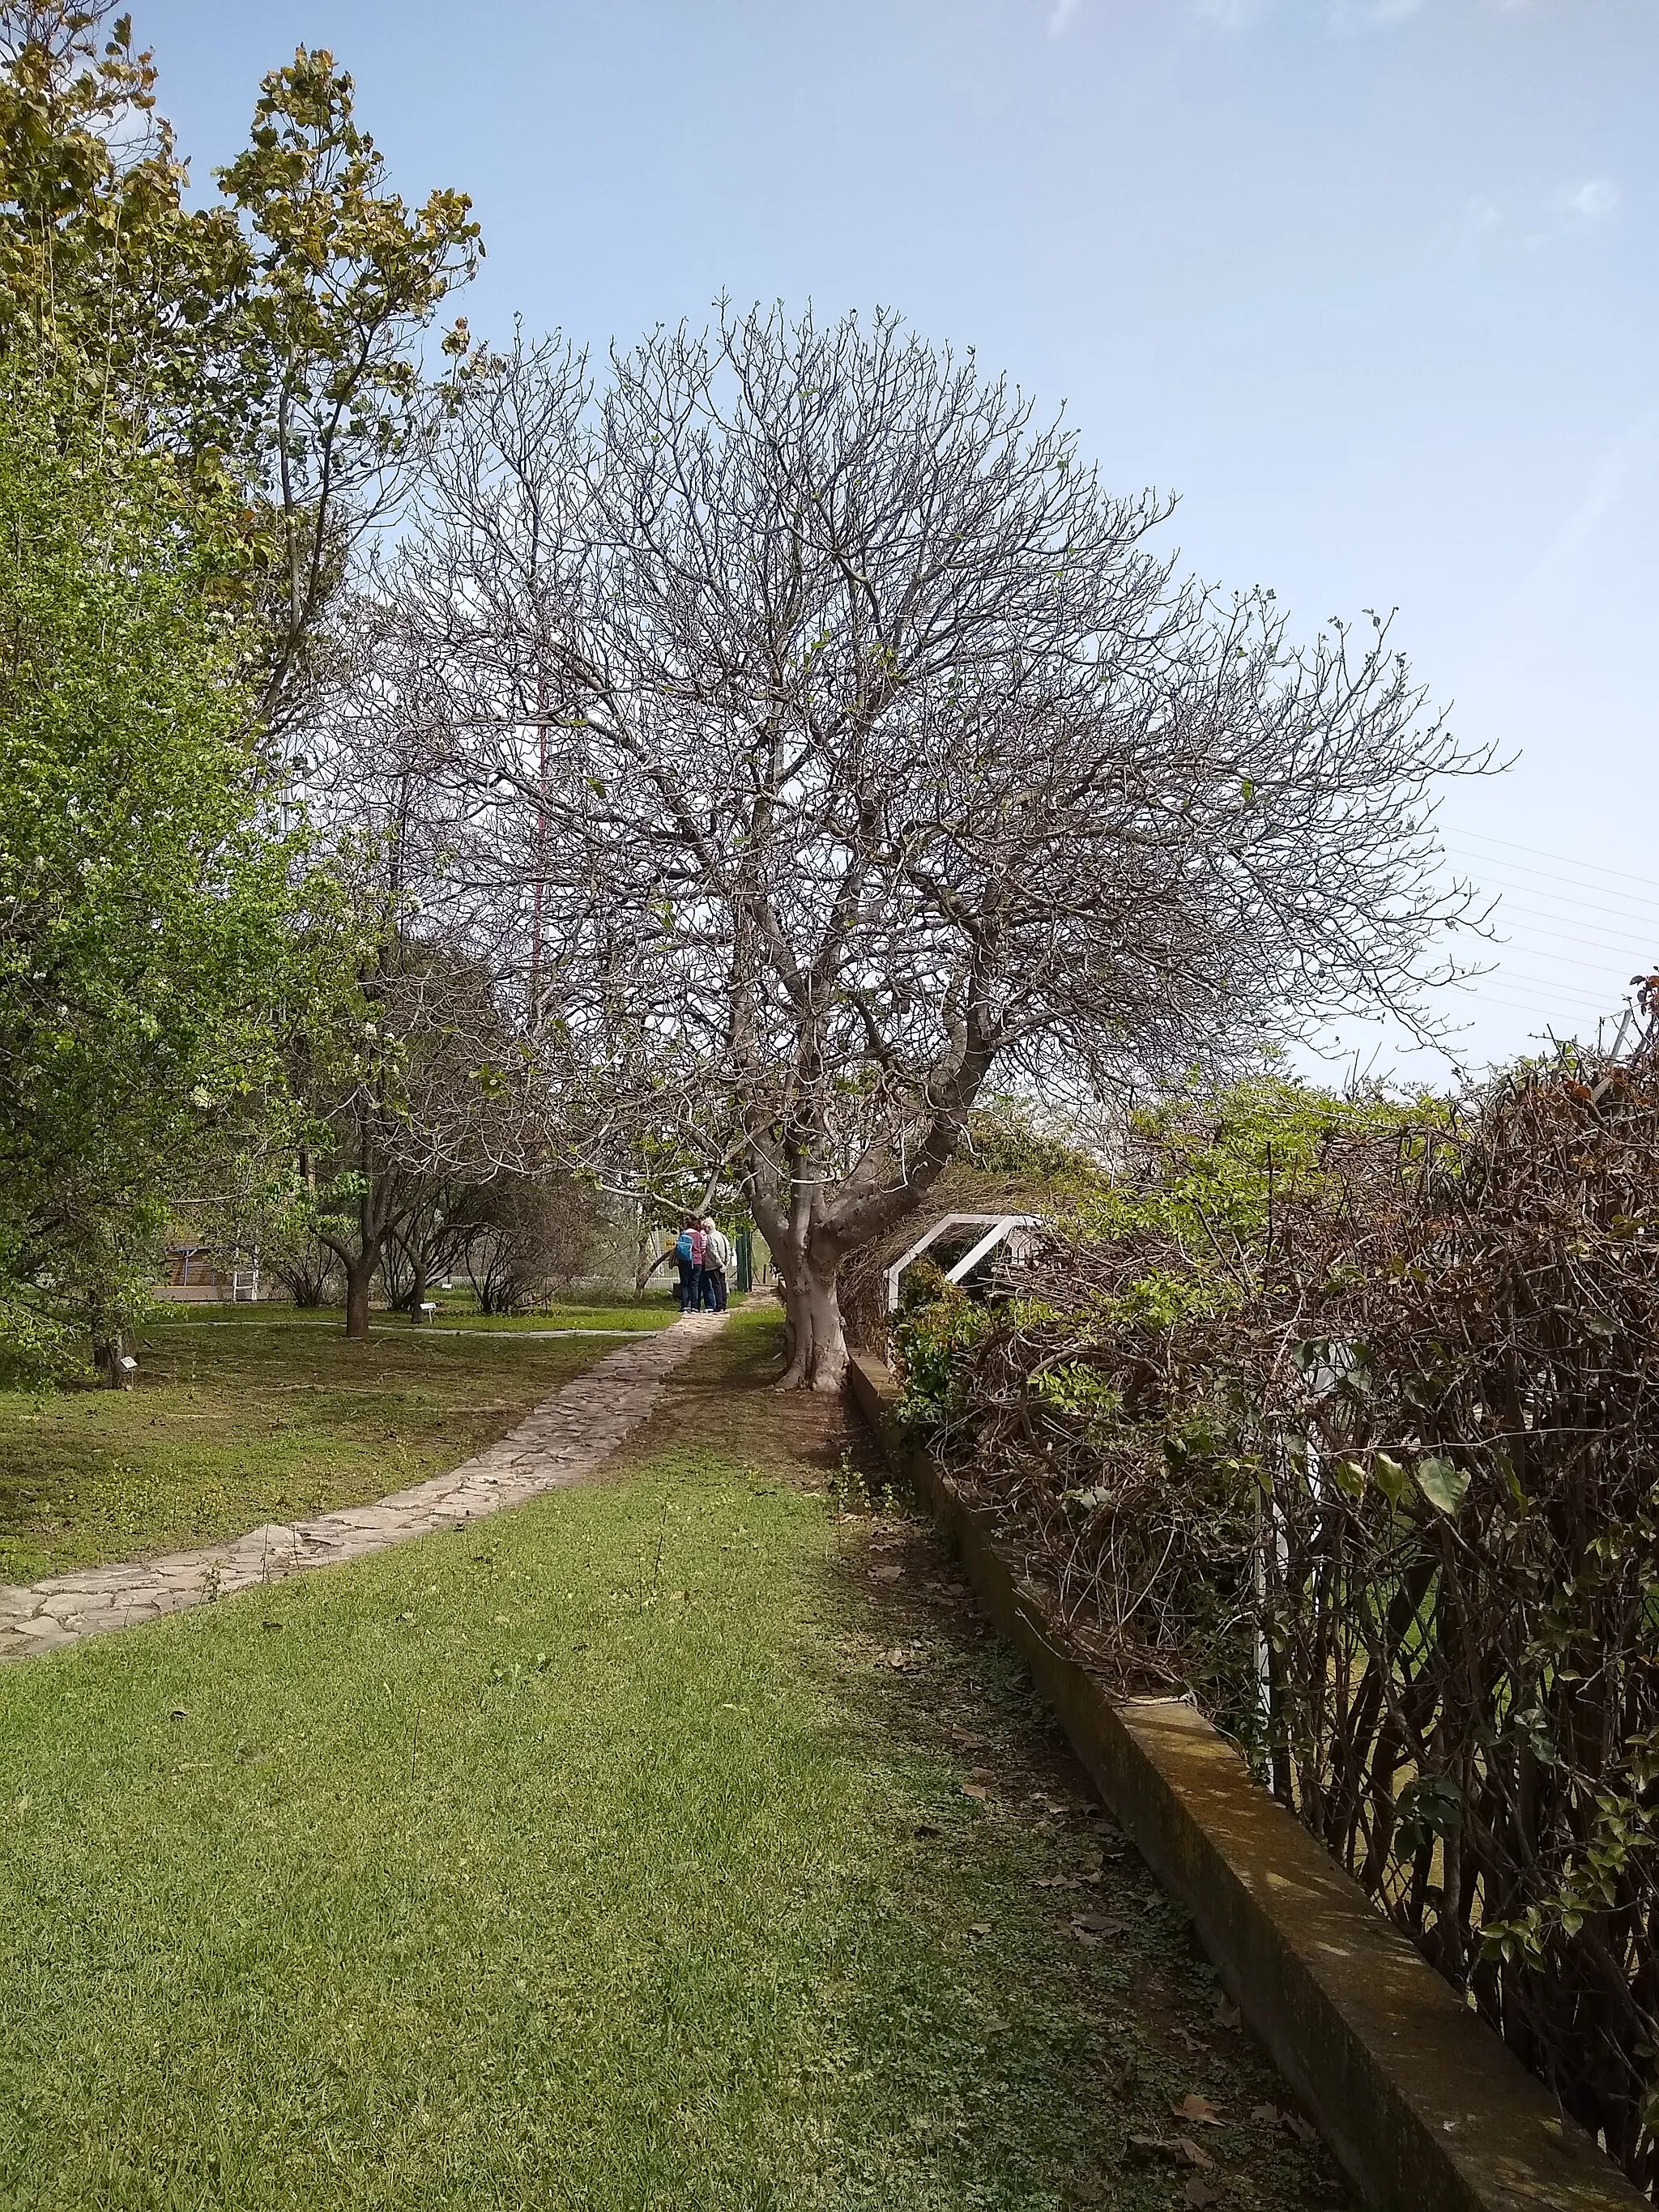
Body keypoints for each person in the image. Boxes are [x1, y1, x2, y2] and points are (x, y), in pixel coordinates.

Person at [699, 1215, 734, 1312]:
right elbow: (728, 1248)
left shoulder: (711, 1237)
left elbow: (713, 1251)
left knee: (716, 1285)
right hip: (723, 1263)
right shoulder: (721, 1235)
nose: (704, 1231)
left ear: (707, 1227)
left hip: (714, 1265)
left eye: (704, 1228)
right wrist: (726, 1262)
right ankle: (723, 1304)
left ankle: (719, 1305)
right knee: (722, 1284)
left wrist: (719, 1263)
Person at [672, 1220, 697, 1312]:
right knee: (694, 1284)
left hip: (683, 1261)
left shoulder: (683, 1234)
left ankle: (684, 1306)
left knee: (684, 1284)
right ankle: (694, 1306)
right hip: (695, 1261)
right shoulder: (698, 1235)